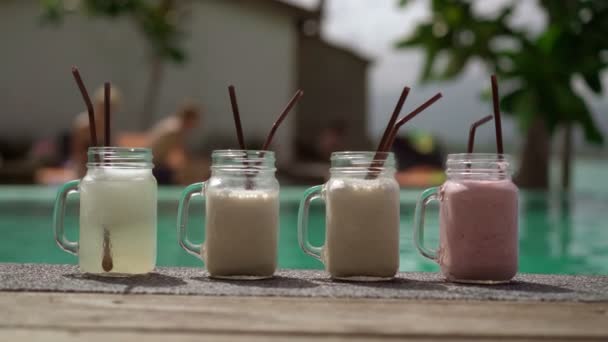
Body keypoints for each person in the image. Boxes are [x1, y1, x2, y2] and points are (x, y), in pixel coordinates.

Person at [69, 85, 122, 177]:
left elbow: (113, 152)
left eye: (111, 107)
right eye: (103, 106)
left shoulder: (109, 127)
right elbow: (76, 154)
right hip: (84, 169)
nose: (107, 110)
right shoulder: (83, 125)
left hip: (102, 170)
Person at [147, 100, 202, 184]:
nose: (196, 124)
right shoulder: (175, 129)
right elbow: (170, 155)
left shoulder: (174, 124)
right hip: (152, 166)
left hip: (154, 164)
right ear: (189, 118)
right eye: (195, 120)